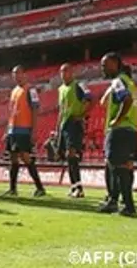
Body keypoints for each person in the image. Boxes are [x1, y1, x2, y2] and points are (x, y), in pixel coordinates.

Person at [98, 53, 137, 217]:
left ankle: (127, 205)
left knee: (115, 165)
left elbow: (127, 100)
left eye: (105, 65)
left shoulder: (118, 82)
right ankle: (116, 201)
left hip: (120, 130)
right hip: (131, 129)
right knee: (124, 166)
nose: (103, 68)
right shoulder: (130, 82)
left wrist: (116, 119)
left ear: (115, 64)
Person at [2, 65, 46, 197]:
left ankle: (40, 187)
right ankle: (12, 188)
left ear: (24, 74)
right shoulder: (14, 91)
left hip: (24, 129)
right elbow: (11, 112)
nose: (16, 76)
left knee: (26, 157)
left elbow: (35, 109)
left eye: (18, 73)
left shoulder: (30, 89)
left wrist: (33, 130)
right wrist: (6, 130)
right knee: (13, 158)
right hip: (12, 130)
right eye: (14, 74)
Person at [57, 63, 92, 198]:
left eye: (66, 71)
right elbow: (61, 110)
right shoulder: (60, 89)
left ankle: (78, 187)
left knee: (72, 153)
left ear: (72, 72)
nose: (63, 74)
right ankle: (74, 186)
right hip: (64, 125)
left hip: (73, 123)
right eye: (61, 71)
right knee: (67, 155)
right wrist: (58, 127)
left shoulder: (79, 85)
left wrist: (82, 115)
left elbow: (89, 99)